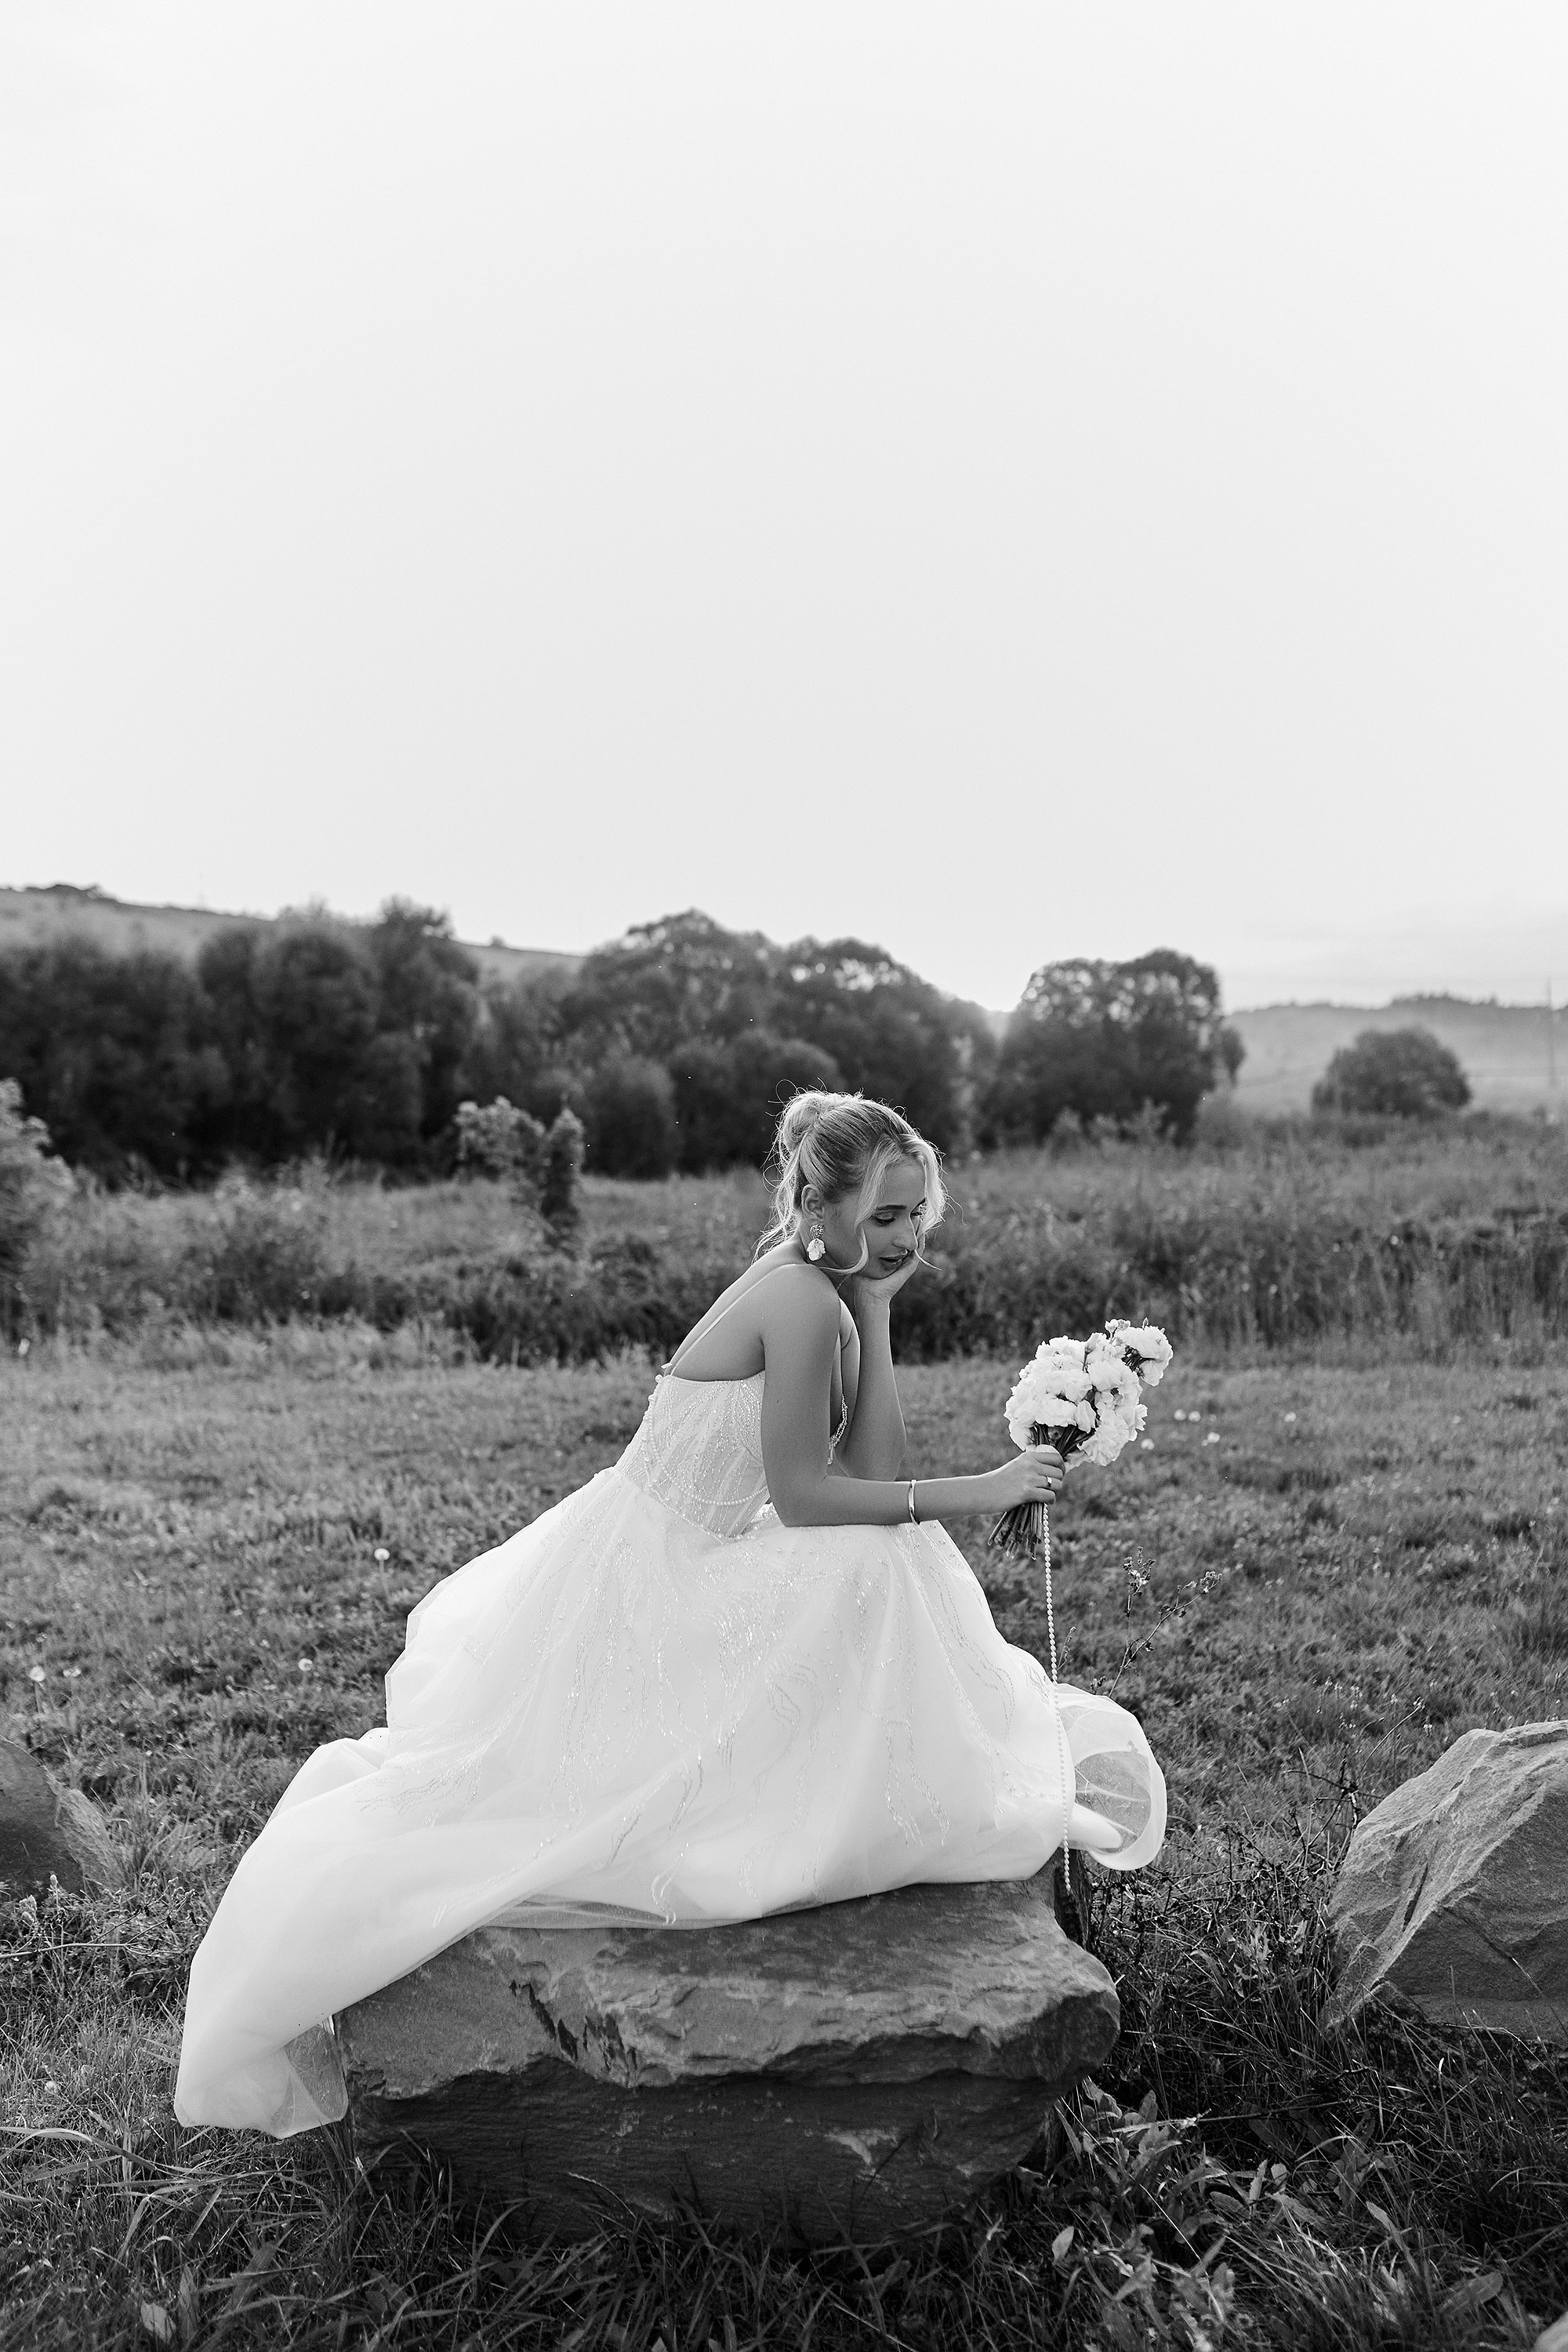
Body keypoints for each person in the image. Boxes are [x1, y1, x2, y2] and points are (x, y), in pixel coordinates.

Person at [174, 1091, 1165, 2137]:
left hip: (701, 1552)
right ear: (818, 1209)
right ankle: (847, 1794)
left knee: (893, 1554)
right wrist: (985, 1488)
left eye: (919, 1212)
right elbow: (813, 1498)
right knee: (882, 1561)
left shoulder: (829, 1294)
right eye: (886, 1217)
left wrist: (877, 1314)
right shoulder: (792, 1298)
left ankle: (859, 1781)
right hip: (645, 1578)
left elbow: (873, 1473)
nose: (910, 1236)